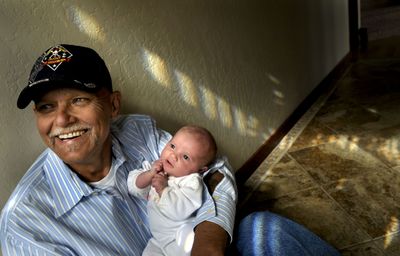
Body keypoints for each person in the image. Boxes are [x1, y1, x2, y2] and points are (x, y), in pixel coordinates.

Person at [0, 43, 340, 256]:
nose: (61, 119)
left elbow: (215, 166)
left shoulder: (138, 131)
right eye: (46, 107)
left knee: (264, 230)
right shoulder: (26, 225)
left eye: (78, 99)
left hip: (190, 245)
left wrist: (210, 241)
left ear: (113, 105)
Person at [127, 125, 218, 255]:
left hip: (180, 234)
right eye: (173, 146)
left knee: (192, 243)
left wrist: (164, 190)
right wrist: (150, 174)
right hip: (159, 240)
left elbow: (180, 210)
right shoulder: (155, 168)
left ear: (200, 169)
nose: (173, 155)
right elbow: (133, 187)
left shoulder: (191, 182)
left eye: (185, 157)